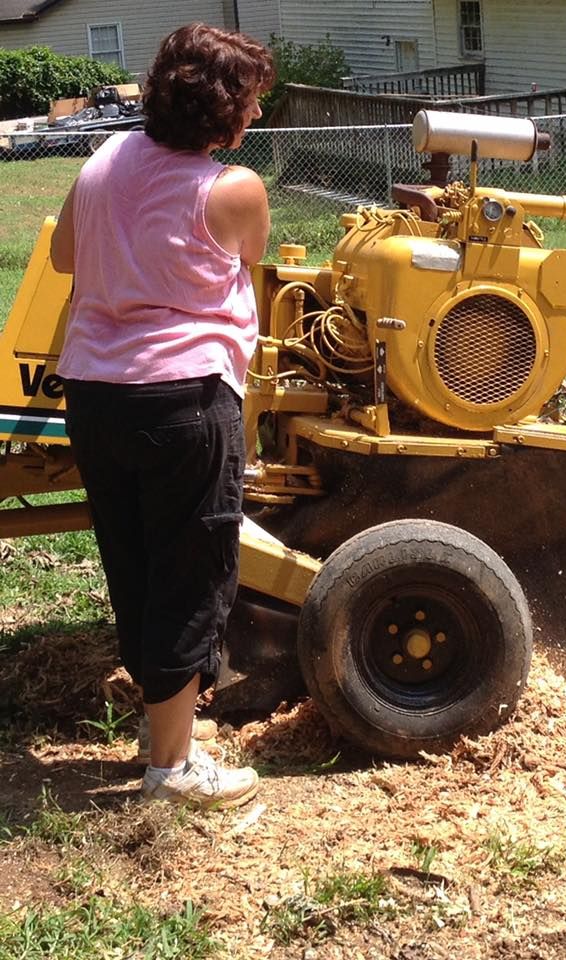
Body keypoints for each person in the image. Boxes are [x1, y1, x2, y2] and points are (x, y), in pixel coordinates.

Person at [50, 22, 275, 809]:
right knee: (192, 569)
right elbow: (252, 262)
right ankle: (172, 772)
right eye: (249, 101)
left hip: (96, 393)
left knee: (138, 562)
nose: (254, 114)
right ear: (225, 110)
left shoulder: (101, 162)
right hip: (185, 398)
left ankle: (169, 727)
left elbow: (63, 260)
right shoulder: (234, 188)